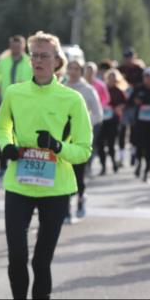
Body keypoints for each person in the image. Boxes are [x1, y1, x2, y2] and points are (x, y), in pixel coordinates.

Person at [0, 31, 92, 300]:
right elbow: (2, 125)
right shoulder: (15, 92)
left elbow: (84, 149)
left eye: (44, 56)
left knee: (41, 262)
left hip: (55, 188)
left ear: (57, 63)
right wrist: (7, 145)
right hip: (19, 182)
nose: (37, 61)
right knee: (16, 257)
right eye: (34, 55)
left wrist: (57, 146)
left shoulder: (71, 99)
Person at [63, 59, 102, 219]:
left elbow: (98, 114)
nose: (73, 72)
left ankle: (80, 199)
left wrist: (83, 125)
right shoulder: (61, 87)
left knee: (78, 174)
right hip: (63, 136)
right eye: (70, 68)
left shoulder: (88, 90)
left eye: (76, 69)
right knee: (64, 172)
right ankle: (65, 209)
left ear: (81, 71)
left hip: (80, 138)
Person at [0, 35, 32, 176]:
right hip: (5, 103)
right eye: (12, 45)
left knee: (22, 134)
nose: (15, 48)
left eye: (18, 45)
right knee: (3, 133)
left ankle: (23, 164)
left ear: (23, 46)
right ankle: (2, 166)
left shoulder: (30, 61)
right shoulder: (3, 61)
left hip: (24, 105)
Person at [98, 69, 128, 175]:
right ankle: (103, 166)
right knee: (100, 143)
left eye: (113, 77)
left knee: (111, 144)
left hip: (113, 120)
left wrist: (118, 108)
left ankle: (114, 163)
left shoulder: (119, 91)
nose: (111, 79)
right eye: (110, 77)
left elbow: (125, 103)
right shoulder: (102, 88)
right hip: (101, 120)